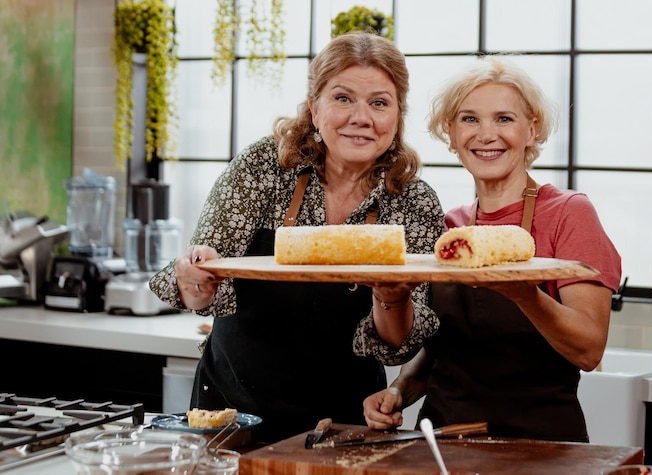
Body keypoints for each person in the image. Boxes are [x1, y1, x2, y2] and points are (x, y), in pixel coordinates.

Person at [149, 32, 444, 444]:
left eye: (379, 103)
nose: (361, 117)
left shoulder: (414, 202)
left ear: (397, 117)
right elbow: (202, 292)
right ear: (314, 108)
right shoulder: (264, 168)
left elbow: (397, 346)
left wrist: (392, 296)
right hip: (232, 416)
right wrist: (194, 278)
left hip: (343, 423)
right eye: (342, 98)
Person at [362, 56, 622, 442]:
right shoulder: (449, 227)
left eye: (504, 119)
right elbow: (438, 351)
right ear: (450, 133)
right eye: (469, 119)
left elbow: (588, 351)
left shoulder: (569, 213)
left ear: (531, 130)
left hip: (541, 448)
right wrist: (400, 390)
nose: (486, 134)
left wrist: (525, 295)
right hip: (445, 446)